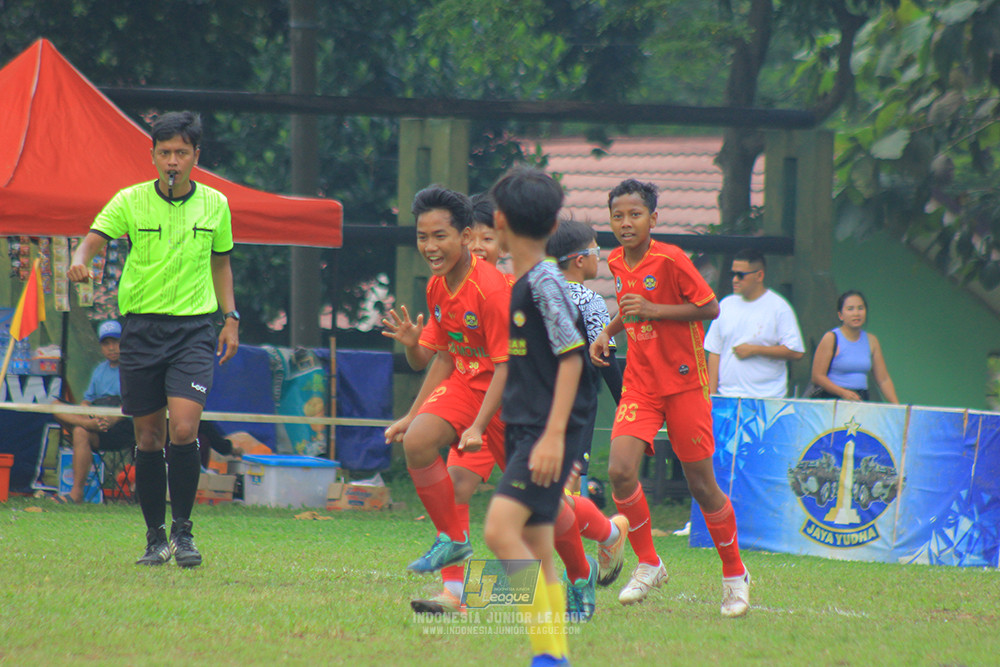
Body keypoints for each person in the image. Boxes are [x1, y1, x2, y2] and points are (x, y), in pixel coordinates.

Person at [68, 111, 239, 568]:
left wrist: (231, 317)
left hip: (195, 329)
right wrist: (80, 258)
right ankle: (153, 538)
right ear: (152, 155)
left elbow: (222, 264)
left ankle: (184, 534)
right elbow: (92, 239)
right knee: (148, 437)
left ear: (196, 156)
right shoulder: (130, 200)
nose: (173, 160)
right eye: (165, 152)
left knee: (183, 428)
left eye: (182, 152)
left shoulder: (216, 205)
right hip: (141, 329)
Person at [590, 179, 750, 617]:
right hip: (641, 383)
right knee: (621, 471)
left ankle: (735, 576)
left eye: (635, 215)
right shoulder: (616, 260)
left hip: (684, 383)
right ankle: (649, 562)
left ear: (653, 219)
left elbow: (711, 307)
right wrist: (606, 332)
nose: (625, 223)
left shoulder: (672, 259)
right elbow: (629, 306)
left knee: (702, 485)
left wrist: (657, 311)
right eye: (618, 215)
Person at [484, 165, 596, 666]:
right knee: (537, 544)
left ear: (500, 220)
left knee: (499, 530)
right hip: (528, 427)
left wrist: (553, 437)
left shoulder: (543, 284)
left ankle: (549, 658)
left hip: (545, 433)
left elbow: (573, 356)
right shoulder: (526, 281)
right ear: (554, 227)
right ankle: (551, 657)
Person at [382, 186, 511, 615]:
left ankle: (604, 535)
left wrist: (478, 426)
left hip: (509, 398)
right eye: (423, 237)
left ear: (466, 235)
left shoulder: (493, 291)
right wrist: (412, 415)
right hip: (467, 386)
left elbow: (506, 367)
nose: (430, 247)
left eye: (440, 236)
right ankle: (454, 575)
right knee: (420, 446)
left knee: (541, 501)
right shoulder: (438, 286)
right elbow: (442, 358)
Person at [704, 248, 805, 398]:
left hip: (767, 399)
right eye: (732, 274)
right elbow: (714, 352)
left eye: (740, 275)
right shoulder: (725, 305)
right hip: (727, 398)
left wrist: (755, 350)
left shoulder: (779, 307)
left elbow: (796, 351)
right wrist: (711, 395)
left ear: (759, 275)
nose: (734, 280)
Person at [53, 320, 133, 503]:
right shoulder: (99, 370)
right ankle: (77, 493)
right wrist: (88, 413)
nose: (112, 348)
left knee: (80, 431)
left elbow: (134, 405)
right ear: (101, 347)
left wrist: (112, 419)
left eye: (116, 342)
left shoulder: (132, 370)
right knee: (56, 405)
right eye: (106, 343)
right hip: (95, 420)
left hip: (120, 426)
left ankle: (76, 494)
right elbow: (86, 400)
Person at [810, 290, 899, 403]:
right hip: (834, 399)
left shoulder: (872, 341)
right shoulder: (831, 338)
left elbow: (883, 379)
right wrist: (842, 392)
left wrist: (897, 406)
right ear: (840, 315)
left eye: (860, 308)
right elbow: (817, 376)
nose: (856, 313)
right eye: (850, 309)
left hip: (860, 399)